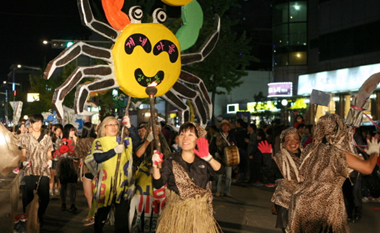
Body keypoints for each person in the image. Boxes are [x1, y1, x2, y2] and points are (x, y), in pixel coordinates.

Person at [287, 114, 380, 233]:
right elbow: (367, 168)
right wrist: (374, 152)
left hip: (302, 201)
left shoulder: (310, 149)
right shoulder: (337, 154)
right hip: (325, 203)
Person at [152, 122, 223, 233]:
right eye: (182, 134)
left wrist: (209, 158)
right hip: (176, 214)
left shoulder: (203, 160)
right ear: (178, 138)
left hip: (199, 214)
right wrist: (155, 166)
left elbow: (219, 171)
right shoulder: (171, 160)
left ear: (198, 139)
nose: (185, 138)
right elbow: (158, 183)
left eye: (190, 134)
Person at [85, 116, 133, 233]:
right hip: (105, 184)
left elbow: (136, 142)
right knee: (102, 214)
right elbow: (98, 157)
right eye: (110, 125)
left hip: (122, 183)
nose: (114, 127)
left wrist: (131, 127)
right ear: (104, 128)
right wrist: (114, 151)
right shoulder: (99, 141)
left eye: (116, 124)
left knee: (121, 215)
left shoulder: (124, 140)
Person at [258, 127, 303, 232]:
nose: (292, 142)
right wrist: (267, 157)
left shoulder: (308, 157)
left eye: (295, 138)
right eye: (288, 139)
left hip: (305, 199)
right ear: (283, 143)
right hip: (285, 200)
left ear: (300, 140)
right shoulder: (278, 158)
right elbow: (269, 176)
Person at [16, 114, 53, 228]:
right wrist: (24, 162)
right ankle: (28, 217)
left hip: (43, 170)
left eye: (39, 123)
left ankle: (39, 215)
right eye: (34, 123)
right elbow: (23, 155)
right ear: (31, 124)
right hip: (29, 170)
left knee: (45, 197)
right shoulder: (24, 138)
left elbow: (49, 154)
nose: (37, 125)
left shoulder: (47, 138)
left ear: (42, 124)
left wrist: (50, 161)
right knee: (27, 196)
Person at [76, 122, 97, 226]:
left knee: (88, 194)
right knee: (98, 192)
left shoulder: (81, 141)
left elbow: (77, 154)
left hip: (86, 168)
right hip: (98, 168)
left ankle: (93, 215)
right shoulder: (97, 140)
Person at [209, 119, 237, 197]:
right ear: (221, 127)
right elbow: (212, 147)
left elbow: (236, 146)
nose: (225, 127)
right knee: (219, 176)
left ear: (229, 127)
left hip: (229, 158)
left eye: (227, 125)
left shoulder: (231, 136)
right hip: (219, 158)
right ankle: (218, 191)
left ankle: (227, 191)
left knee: (228, 176)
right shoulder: (216, 136)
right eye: (223, 125)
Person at [54, 124, 78, 212]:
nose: (73, 132)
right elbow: (57, 153)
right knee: (63, 185)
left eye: (74, 130)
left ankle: (72, 203)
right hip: (63, 164)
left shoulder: (75, 140)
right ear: (67, 131)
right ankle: (63, 203)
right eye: (71, 130)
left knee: (73, 185)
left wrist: (76, 142)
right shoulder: (60, 141)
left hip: (73, 165)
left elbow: (78, 152)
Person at [49, 124, 63, 197]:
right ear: (54, 131)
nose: (59, 132)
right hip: (53, 158)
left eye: (60, 130)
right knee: (52, 174)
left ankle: (57, 188)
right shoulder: (51, 139)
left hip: (60, 158)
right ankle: (51, 189)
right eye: (57, 130)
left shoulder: (62, 139)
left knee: (59, 175)